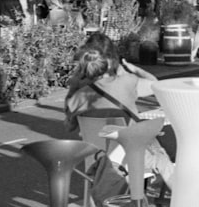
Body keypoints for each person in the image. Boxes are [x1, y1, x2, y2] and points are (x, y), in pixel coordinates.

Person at [64, 35, 175, 189]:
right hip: (131, 157)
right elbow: (157, 86)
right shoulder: (127, 82)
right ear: (112, 59)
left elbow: (71, 127)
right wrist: (133, 69)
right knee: (162, 150)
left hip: (97, 161)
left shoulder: (77, 95)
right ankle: (177, 198)